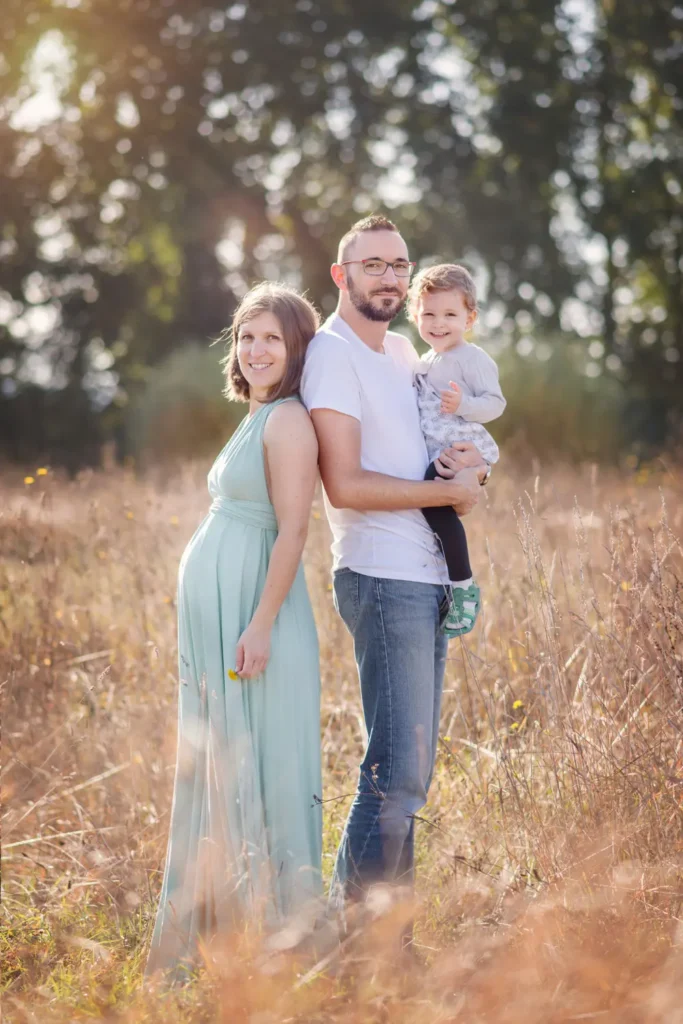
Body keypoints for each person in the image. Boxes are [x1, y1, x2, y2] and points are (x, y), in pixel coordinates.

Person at [300, 215, 488, 916]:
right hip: (382, 578)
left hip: (427, 574)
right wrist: (444, 493)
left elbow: (439, 442)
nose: (389, 276)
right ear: (341, 276)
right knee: (394, 773)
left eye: (398, 264)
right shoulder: (331, 353)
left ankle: (384, 944)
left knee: (411, 777)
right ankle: (361, 952)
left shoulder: (405, 352)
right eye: (372, 264)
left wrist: (467, 473)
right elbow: (344, 483)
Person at [146, 283, 323, 983]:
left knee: (262, 764)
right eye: (247, 337)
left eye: (272, 339)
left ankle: (279, 940)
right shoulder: (253, 416)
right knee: (219, 766)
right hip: (217, 620)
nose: (255, 350)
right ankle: (224, 928)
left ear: (296, 348)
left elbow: (295, 530)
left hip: (255, 620)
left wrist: (259, 624)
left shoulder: (287, 422)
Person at [410, 263, 506, 638]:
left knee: (435, 504)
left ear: (469, 318)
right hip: (440, 446)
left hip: (460, 446)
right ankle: (449, 581)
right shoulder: (425, 359)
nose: (439, 323)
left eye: (450, 314)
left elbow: (496, 404)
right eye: (429, 314)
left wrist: (464, 403)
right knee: (434, 511)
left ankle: (463, 586)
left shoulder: (473, 358)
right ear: (415, 315)